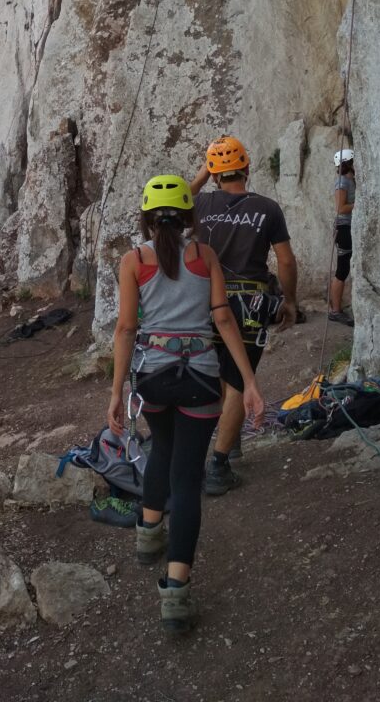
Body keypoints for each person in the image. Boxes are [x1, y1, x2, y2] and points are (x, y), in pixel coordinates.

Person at [108, 174, 265, 635]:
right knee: (187, 475)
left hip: (154, 379)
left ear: (144, 217)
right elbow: (223, 319)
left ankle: (147, 534)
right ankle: (175, 593)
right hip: (199, 378)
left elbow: (125, 329)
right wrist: (249, 382)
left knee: (160, 447)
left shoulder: (133, 261)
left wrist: (116, 392)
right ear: (190, 216)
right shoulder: (206, 257)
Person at [190, 135, 297, 494]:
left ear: (216, 173)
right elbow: (284, 260)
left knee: (223, 368)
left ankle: (229, 439)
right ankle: (218, 466)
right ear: (248, 169)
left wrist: (205, 172)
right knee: (238, 378)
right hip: (250, 302)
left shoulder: (202, 203)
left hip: (207, 301)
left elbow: (176, 202)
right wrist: (290, 301)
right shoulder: (267, 208)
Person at [329, 148, 355, 326]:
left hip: (347, 227)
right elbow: (341, 208)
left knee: (344, 268)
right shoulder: (341, 183)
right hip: (344, 228)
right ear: (349, 163)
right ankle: (335, 311)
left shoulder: (348, 180)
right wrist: (361, 202)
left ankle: (336, 309)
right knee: (342, 270)